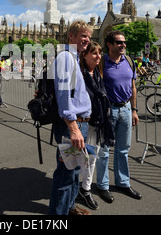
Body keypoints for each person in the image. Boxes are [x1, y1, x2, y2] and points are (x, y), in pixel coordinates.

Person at [48, 20, 92, 215]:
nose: (87, 40)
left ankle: (70, 208)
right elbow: (64, 94)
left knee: (74, 172)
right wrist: (73, 128)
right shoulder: (66, 57)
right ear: (71, 37)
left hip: (78, 124)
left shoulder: (73, 57)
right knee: (65, 176)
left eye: (89, 37)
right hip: (71, 126)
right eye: (83, 36)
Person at [96, 30, 141, 204]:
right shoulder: (101, 62)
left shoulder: (128, 61)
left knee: (123, 149)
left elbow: (133, 87)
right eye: (119, 42)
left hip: (126, 109)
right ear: (109, 44)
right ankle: (103, 186)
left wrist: (134, 110)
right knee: (104, 150)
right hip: (108, 111)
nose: (123, 45)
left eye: (124, 42)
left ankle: (123, 182)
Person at [77, 41, 113, 211]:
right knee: (79, 160)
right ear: (84, 55)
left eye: (100, 53)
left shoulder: (97, 74)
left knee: (91, 159)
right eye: (94, 53)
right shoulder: (80, 75)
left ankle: (85, 188)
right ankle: (79, 191)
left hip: (97, 123)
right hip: (83, 124)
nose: (98, 56)